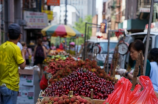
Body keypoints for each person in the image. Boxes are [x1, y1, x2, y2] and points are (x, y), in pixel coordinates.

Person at [0, 23, 26, 104]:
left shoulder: (2, 46)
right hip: (10, 86)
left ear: (8, 35)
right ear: (20, 36)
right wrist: (23, 53)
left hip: (2, 84)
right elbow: (22, 66)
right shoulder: (16, 48)